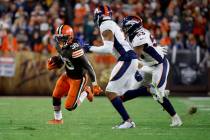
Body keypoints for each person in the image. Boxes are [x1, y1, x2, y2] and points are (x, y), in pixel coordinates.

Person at [83, 5, 140, 129]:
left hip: (126, 59)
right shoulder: (111, 24)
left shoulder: (105, 25)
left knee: (110, 92)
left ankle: (128, 121)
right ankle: (148, 90)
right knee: (119, 95)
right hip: (128, 59)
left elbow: (108, 48)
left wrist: (89, 48)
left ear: (98, 16)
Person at [121, 16, 182, 127]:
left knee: (158, 94)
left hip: (159, 65)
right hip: (147, 65)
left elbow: (135, 57)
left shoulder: (139, 36)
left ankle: (176, 118)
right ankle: (154, 90)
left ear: (133, 27)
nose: (124, 28)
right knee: (128, 92)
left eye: (126, 26)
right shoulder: (133, 35)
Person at [47, 24, 102, 124]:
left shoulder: (75, 49)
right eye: (58, 38)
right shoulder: (60, 46)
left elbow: (88, 67)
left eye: (62, 38)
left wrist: (95, 84)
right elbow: (64, 59)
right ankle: (58, 119)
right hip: (67, 74)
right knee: (56, 95)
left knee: (70, 107)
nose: (60, 41)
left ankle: (86, 91)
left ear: (70, 38)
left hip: (78, 78)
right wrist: (56, 62)